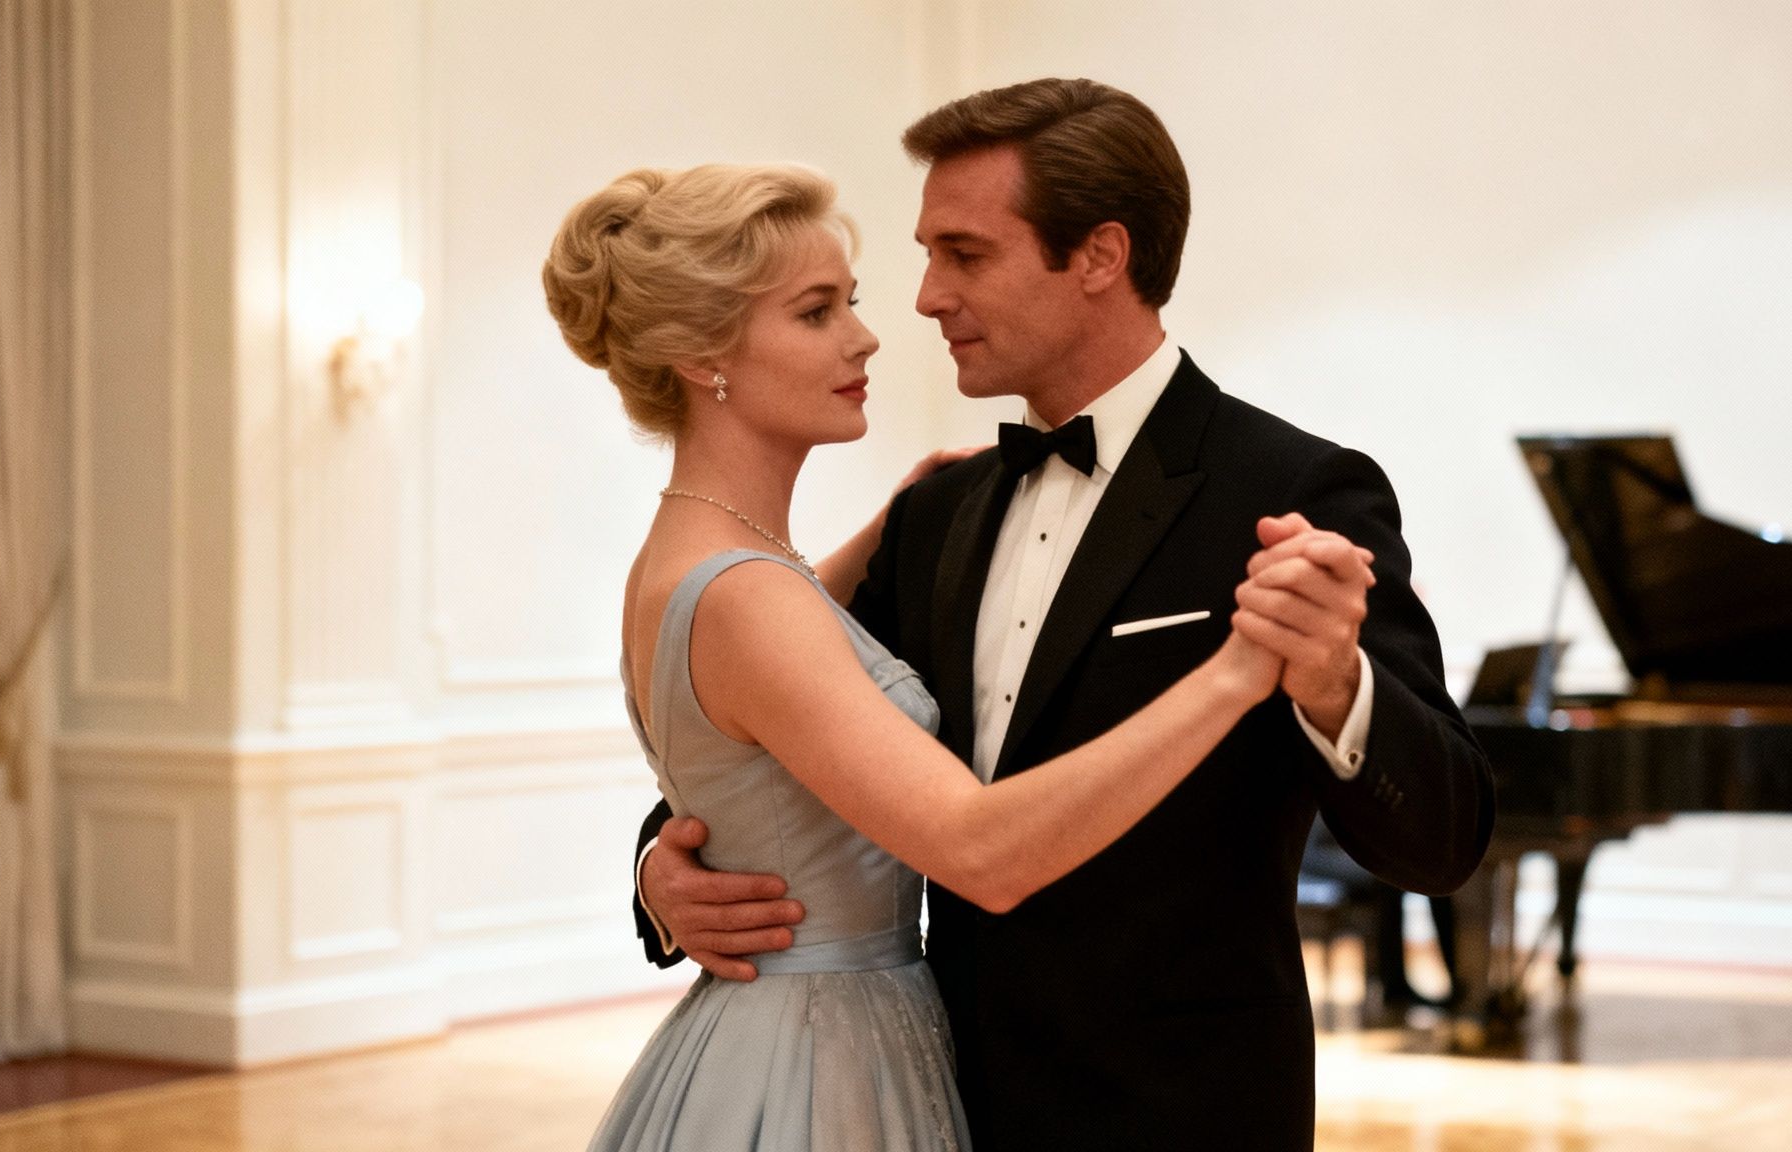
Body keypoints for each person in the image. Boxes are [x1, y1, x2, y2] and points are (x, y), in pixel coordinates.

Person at [635, 79, 1496, 1151]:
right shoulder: (935, 513)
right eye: (926, 255)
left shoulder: (1290, 492)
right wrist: (665, 870)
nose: (925, 299)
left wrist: (1333, 685)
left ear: (1098, 256)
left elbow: (1445, 840)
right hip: (931, 1099)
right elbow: (798, 736)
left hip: (1180, 1117)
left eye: (964, 255)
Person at [546, 163, 1293, 1151]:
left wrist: (899, 525)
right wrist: (1237, 674)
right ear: (699, 356)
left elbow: (769, 700)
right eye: (816, 312)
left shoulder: (722, 564)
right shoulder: (745, 596)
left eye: (848, 302)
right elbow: (978, 848)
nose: (865, 337)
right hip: (818, 1065)